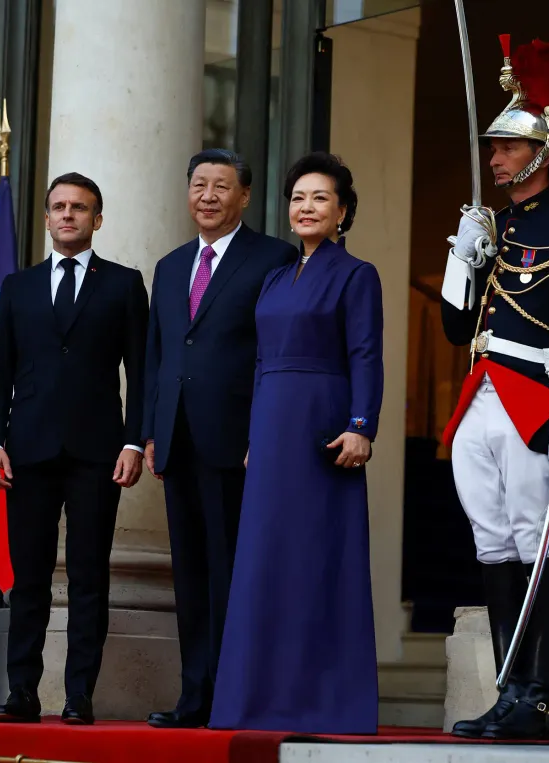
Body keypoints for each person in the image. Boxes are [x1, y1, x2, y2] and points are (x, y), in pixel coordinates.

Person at [439, 37, 549, 741]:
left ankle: (539, 697)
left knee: (534, 540)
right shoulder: (498, 225)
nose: (495, 159)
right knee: (491, 541)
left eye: (507, 149)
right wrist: (462, 257)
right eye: (495, 149)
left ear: (541, 153)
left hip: (534, 395)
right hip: (478, 390)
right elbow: (456, 326)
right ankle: (509, 687)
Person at [209, 152, 383, 734]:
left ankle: (326, 701)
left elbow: (364, 354)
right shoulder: (277, 277)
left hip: (322, 429)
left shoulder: (357, 274)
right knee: (264, 563)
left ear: (342, 211)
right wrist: (256, 435)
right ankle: (255, 701)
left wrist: (362, 425)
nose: (306, 208)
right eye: (298, 198)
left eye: (320, 199)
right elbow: (260, 361)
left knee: (317, 560)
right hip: (273, 431)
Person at [0, 172, 149, 726]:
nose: (68, 215)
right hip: (26, 450)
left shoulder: (124, 284)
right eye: (59, 207)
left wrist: (133, 441)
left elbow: (142, 372)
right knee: (27, 578)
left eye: (80, 208)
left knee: (88, 576)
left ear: (97, 219)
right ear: (47, 218)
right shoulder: (17, 287)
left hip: (99, 451)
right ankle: (22, 692)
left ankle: (79, 695)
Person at [143, 149, 297, 729]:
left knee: (234, 570)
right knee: (191, 573)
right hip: (178, 440)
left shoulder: (274, 260)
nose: (208, 196)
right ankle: (195, 695)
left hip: (240, 441)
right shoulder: (170, 264)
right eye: (199, 185)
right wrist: (153, 432)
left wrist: (267, 432)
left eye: (221, 186)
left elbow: (273, 352)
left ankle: (238, 695)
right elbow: (159, 355)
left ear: (245, 196)